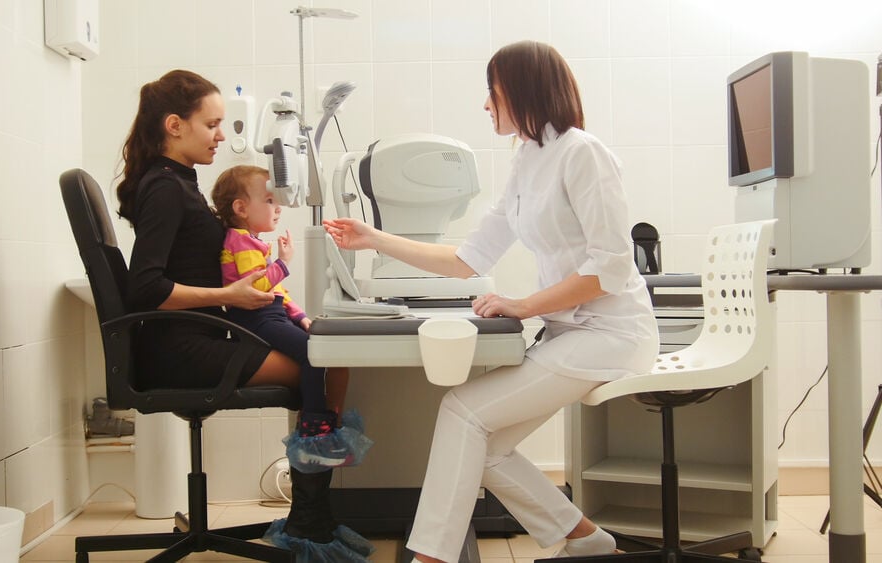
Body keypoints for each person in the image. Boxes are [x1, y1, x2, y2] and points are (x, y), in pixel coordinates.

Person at [323, 41, 660, 562]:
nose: (486, 104)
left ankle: (432, 557)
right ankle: (588, 542)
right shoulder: (529, 159)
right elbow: (468, 259)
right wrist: (373, 238)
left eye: (493, 91)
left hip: (610, 334)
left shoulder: (582, 152)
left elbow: (611, 269)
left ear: (524, 91)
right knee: (489, 446)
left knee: (463, 413)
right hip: (570, 332)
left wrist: (524, 305)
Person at [117, 69, 372, 562]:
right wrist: (228, 296)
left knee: (330, 359)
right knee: (329, 362)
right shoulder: (166, 189)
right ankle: (310, 520)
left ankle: (310, 517)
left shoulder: (179, 183)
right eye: (211, 124)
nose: (220, 135)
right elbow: (143, 287)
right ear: (174, 125)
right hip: (181, 348)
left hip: (202, 335)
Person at [210, 164, 371, 471]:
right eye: (270, 200)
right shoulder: (239, 240)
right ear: (241, 208)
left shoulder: (252, 240)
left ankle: (320, 423)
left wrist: (300, 318)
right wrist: (283, 263)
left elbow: (278, 293)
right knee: (314, 355)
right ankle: (313, 427)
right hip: (256, 320)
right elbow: (255, 287)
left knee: (316, 348)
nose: (279, 207)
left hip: (269, 315)